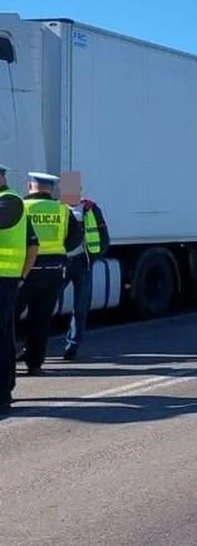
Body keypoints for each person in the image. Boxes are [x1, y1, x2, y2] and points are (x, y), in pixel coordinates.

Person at [18, 173, 82, 376]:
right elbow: (75, 238)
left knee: (9, 317)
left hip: (26, 269)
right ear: (52, 189)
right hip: (54, 271)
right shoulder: (62, 210)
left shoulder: (20, 207)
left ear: (30, 186)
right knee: (41, 319)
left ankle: (8, 359)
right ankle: (35, 364)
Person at [0, 165, 38, 414]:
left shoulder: (10, 201)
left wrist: (21, 276)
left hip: (4, 280)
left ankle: (3, 393)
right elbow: (33, 244)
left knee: (2, 338)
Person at [63, 193, 109, 360]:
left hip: (83, 262)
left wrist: (94, 256)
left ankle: (72, 346)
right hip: (62, 262)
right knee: (47, 304)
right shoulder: (58, 209)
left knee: (80, 307)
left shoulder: (90, 209)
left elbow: (104, 236)